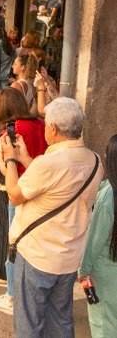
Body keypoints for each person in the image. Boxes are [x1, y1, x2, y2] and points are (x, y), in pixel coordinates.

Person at [1, 97, 103, 337]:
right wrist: (27, 158)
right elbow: (58, 187)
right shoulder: (95, 161)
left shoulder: (49, 164)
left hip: (38, 253)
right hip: (68, 255)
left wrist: (10, 159)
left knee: (29, 322)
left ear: (54, 129)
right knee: (60, 320)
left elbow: (15, 195)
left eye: (47, 123)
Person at [0, 88, 46, 315]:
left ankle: (13, 296)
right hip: (39, 190)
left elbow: (9, 167)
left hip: (19, 191)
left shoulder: (12, 130)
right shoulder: (39, 124)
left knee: (15, 245)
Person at [79, 134, 117, 337]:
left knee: (104, 325)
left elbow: (94, 241)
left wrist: (83, 270)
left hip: (105, 273)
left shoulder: (108, 196)